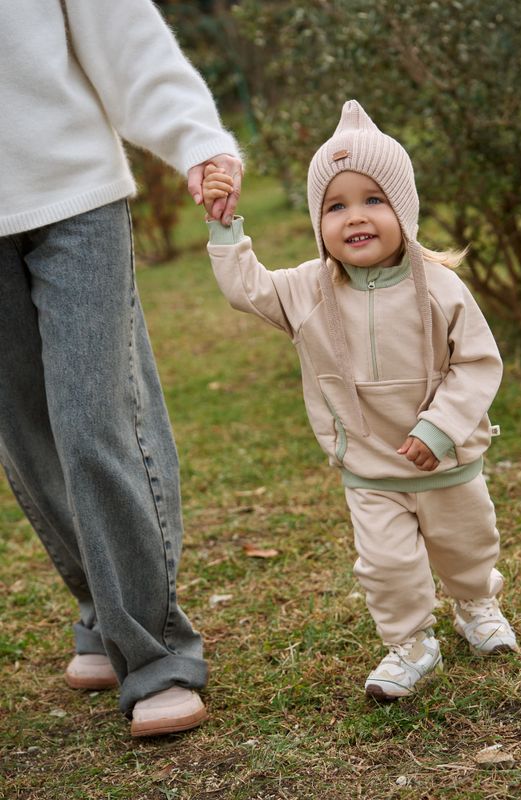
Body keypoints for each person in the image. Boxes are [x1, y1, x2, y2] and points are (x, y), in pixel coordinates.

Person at [202, 100, 518, 701]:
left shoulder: (442, 289)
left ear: (404, 209)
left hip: (447, 463)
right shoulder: (306, 292)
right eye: (336, 205)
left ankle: (476, 604)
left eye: (374, 200)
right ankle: (411, 643)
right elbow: (246, 289)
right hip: (370, 469)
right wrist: (226, 227)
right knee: (386, 567)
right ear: (318, 221)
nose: (356, 217)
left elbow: (478, 363)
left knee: (467, 548)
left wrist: (439, 428)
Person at [0, 0, 242, 736]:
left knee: (93, 422)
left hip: (75, 199)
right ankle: (101, 607)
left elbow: (125, 38)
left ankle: (155, 652)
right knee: (28, 437)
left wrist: (196, 140)